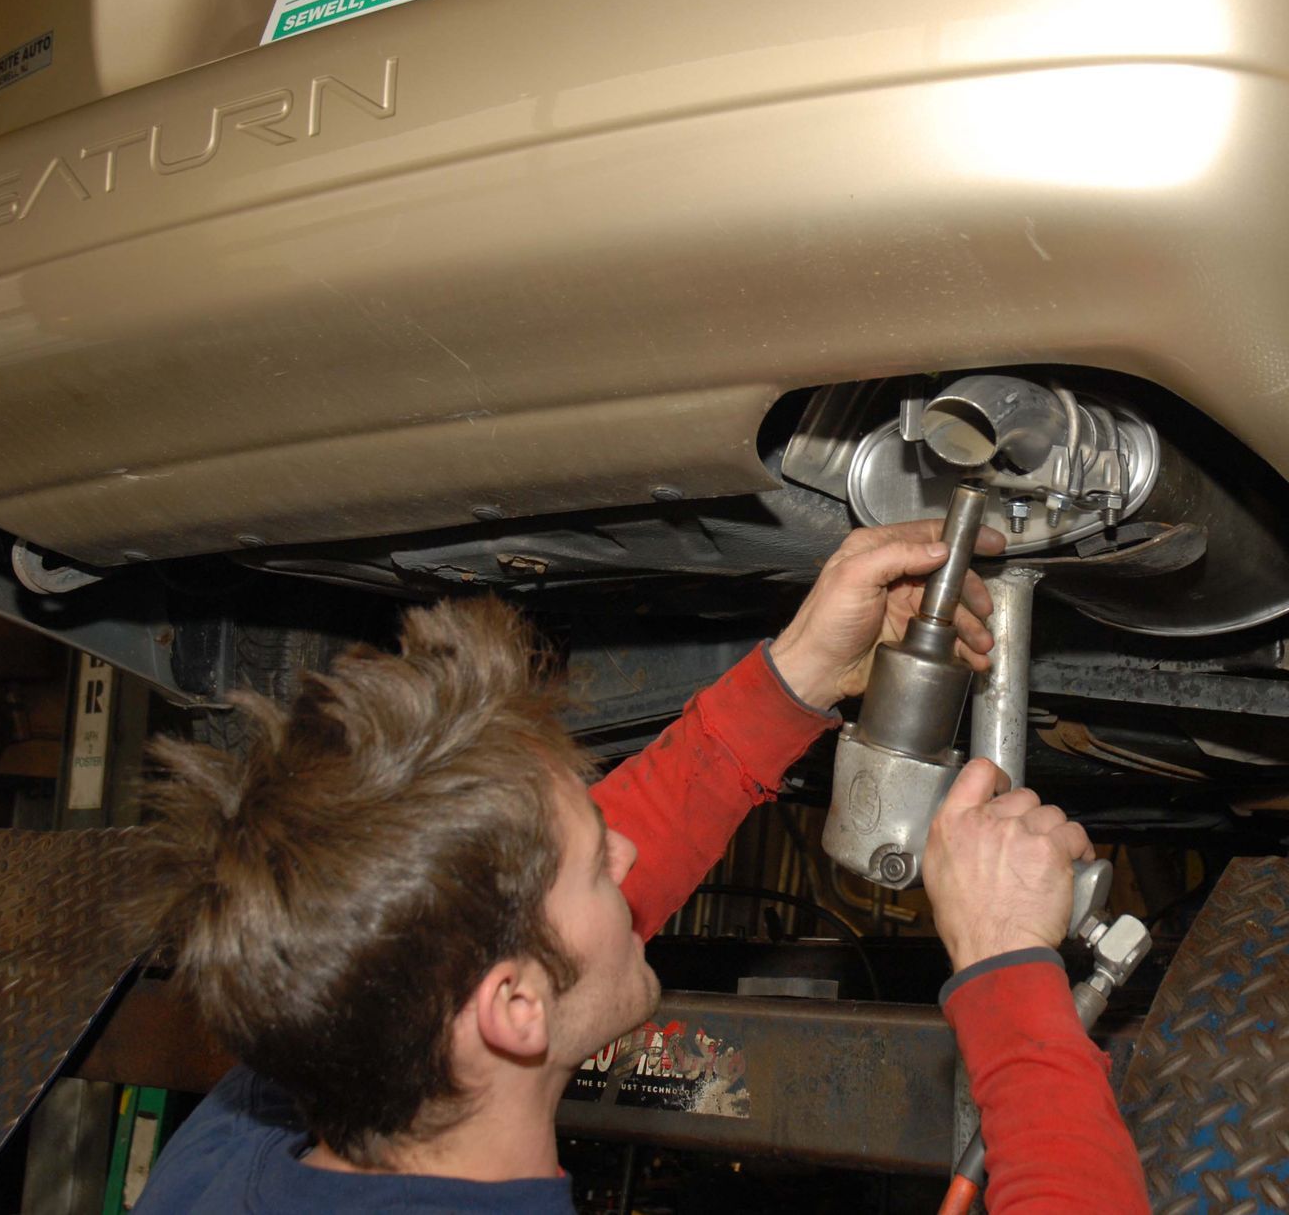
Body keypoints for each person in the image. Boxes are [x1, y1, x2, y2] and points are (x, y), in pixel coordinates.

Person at [127, 519, 1151, 1213]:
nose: (623, 851)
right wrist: (1011, 978)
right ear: (514, 1007)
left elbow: (502, 904)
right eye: (592, 864)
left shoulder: (248, 1135)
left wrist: (796, 673)